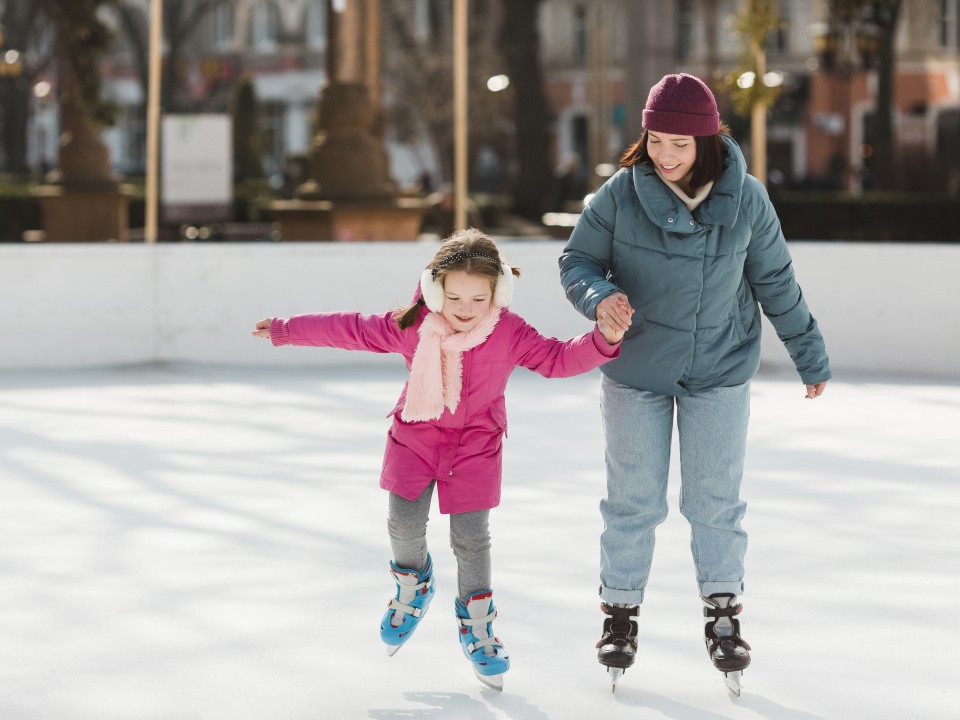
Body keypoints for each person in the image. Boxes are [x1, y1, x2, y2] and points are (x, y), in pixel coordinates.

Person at [252, 228, 623, 691]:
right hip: (415, 436)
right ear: (434, 290)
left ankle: (479, 626)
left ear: (497, 293)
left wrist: (603, 339)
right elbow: (352, 329)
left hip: (475, 446)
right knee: (403, 524)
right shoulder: (413, 324)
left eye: (478, 298)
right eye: (454, 297)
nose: (465, 309)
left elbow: (555, 358)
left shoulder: (508, 331)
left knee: (471, 538)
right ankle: (413, 586)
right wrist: (288, 330)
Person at [558, 73, 831, 693]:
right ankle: (620, 612)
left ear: (707, 140)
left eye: (680, 143)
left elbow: (776, 282)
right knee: (633, 500)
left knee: (715, 501)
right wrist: (599, 298)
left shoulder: (749, 198)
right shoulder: (621, 194)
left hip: (719, 367)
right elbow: (577, 260)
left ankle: (723, 612)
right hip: (636, 370)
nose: (666, 155)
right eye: (656, 140)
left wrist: (808, 355)